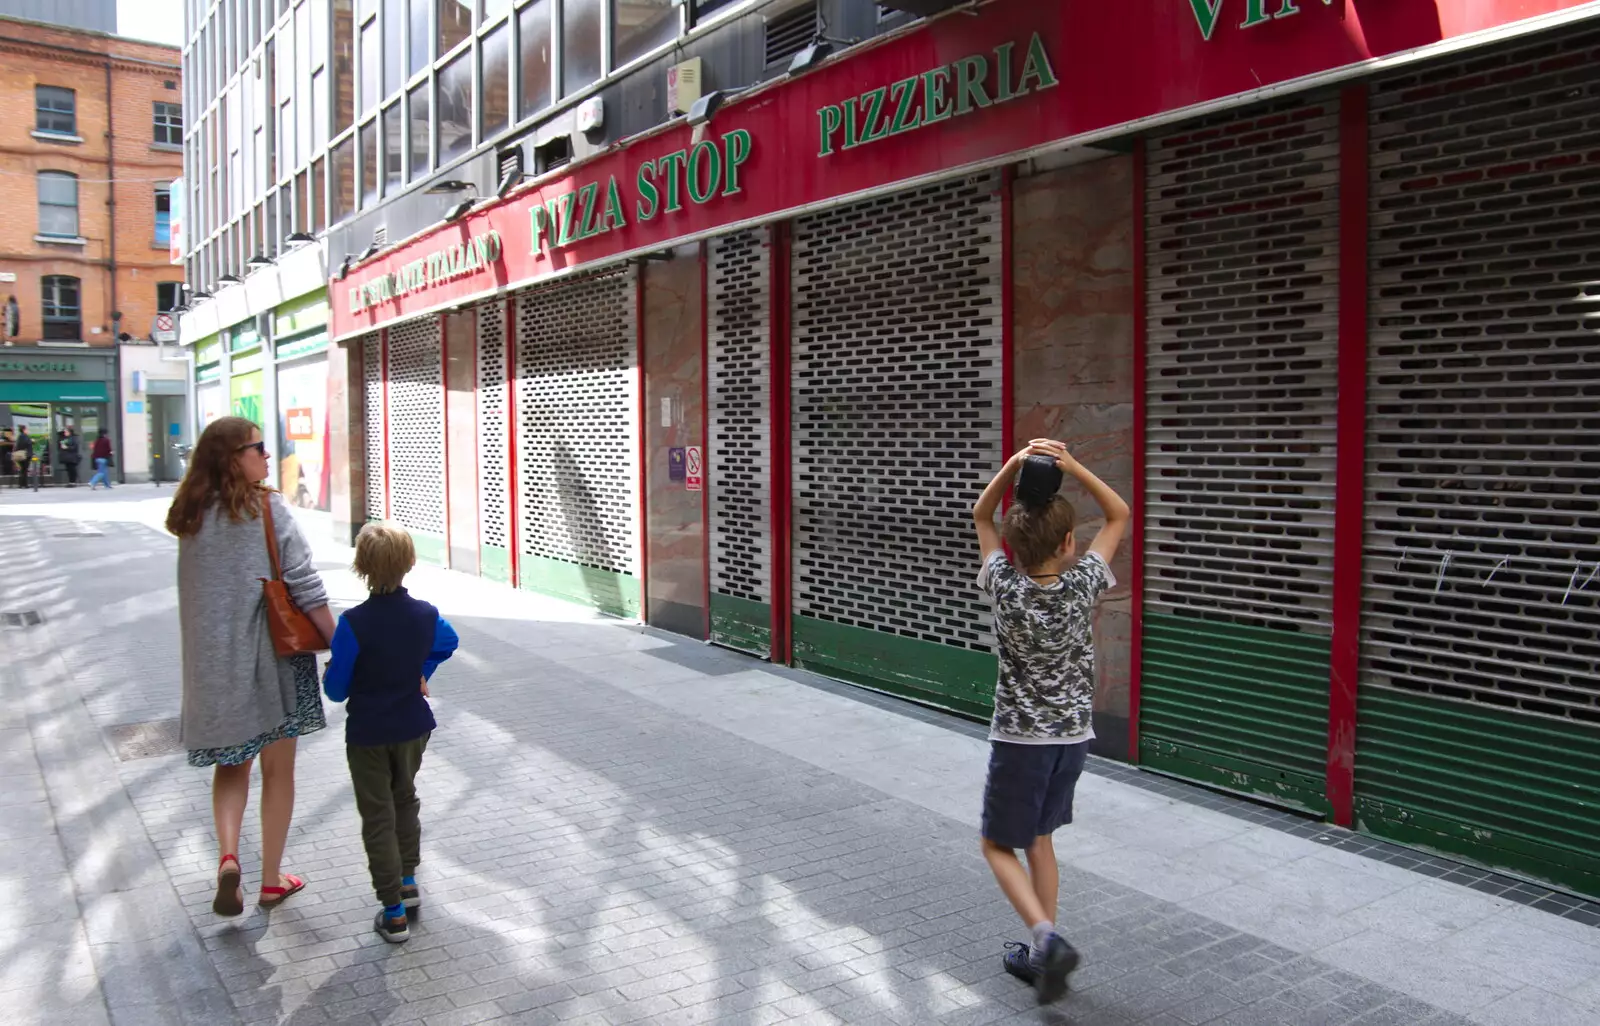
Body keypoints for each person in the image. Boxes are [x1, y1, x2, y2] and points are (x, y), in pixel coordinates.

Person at [971, 438, 1130, 1004]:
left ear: (1011, 546)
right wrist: (1073, 466)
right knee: (1040, 839)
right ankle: (1044, 958)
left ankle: (1046, 937)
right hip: (1074, 740)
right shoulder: (1084, 581)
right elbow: (1120, 514)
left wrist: (1014, 464)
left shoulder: (1004, 586)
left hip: (1019, 741)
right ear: (1069, 544)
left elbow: (981, 513)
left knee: (996, 844)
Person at [166, 416, 336, 916]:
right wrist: (342, 643)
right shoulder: (266, 507)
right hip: (274, 662)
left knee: (231, 768)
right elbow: (304, 582)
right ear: (231, 457)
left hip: (213, 670)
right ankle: (270, 879)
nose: (267, 455)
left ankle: (227, 857)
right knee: (279, 772)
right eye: (257, 448)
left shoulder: (190, 515)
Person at [322, 521, 458, 943]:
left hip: (368, 733)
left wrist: (335, 669)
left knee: (377, 814)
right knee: (405, 799)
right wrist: (421, 670)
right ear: (410, 563)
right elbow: (448, 642)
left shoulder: (353, 623)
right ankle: (408, 880)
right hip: (414, 728)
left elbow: (336, 689)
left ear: (361, 566)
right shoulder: (427, 614)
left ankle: (393, 910)